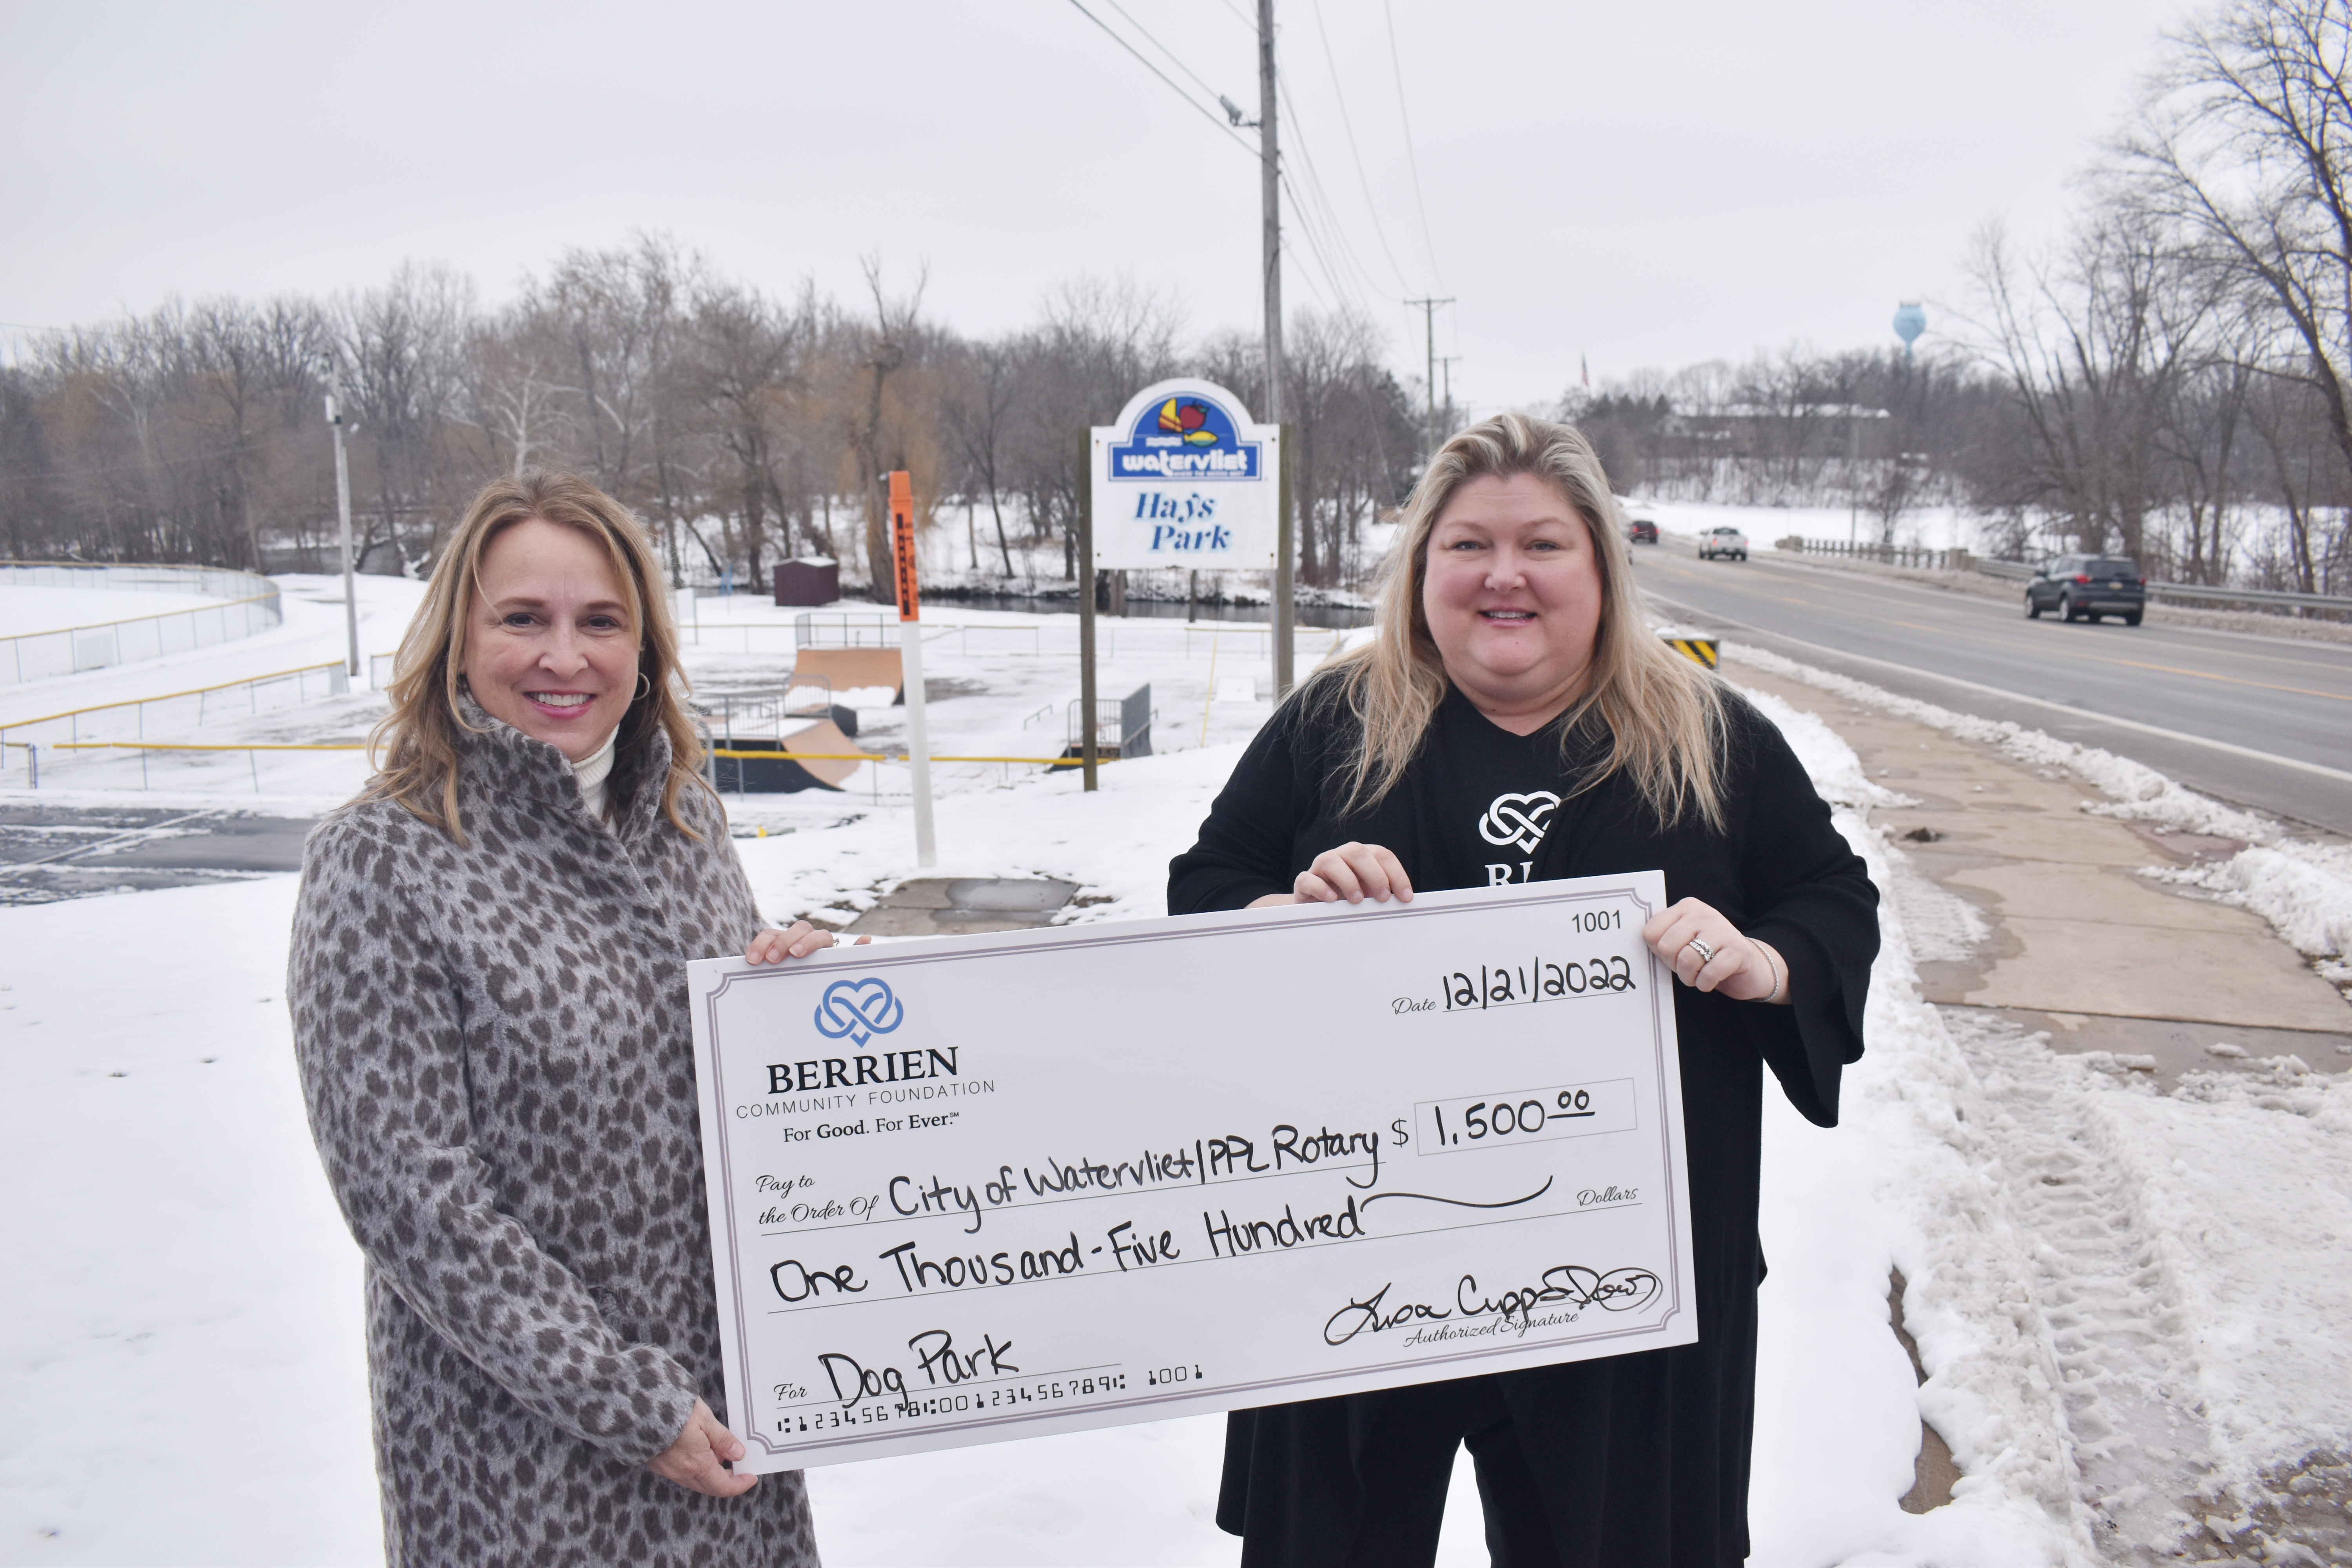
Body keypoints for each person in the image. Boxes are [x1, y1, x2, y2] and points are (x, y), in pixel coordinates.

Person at [1168, 414, 1879, 1568]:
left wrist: (1766, 960)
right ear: (1422, 567)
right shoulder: (1333, 726)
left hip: (1629, 1277)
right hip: (1362, 1260)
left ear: (1601, 565)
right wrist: (1280, 916)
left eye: (1544, 545)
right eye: (1468, 546)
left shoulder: (1708, 736)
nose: (1505, 575)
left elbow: (1832, 897)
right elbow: (1207, 885)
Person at [288, 472, 847, 1566]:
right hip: (519, 1445)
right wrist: (627, 1404)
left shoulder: (682, 814)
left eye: (601, 621)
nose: (564, 657)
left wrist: (798, 1000)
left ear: (643, 645)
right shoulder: (383, 861)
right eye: (522, 620)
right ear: (457, 638)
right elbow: (414, 1200)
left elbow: (721, 1077)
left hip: (729, 1408)